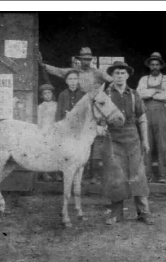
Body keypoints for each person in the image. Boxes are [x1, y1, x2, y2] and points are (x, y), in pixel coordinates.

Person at [38, 47, 112, 184]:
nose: (86, 61)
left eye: (89, 59)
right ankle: (70, 171)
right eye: (84, 59)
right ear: (79, 59)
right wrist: (43, 65)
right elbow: (57, 71)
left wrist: (103, 94)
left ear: (92, 60)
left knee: (91, 142)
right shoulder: (73, 73)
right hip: (75, 108)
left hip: (92, 110)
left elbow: (111, 80)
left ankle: (92, 174)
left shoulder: (97, 73)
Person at [102, 61, 154, 226]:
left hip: (133, 138)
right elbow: (98, 117)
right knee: (116, 177)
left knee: (138, 175)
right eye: (116, 73)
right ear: (112, 75)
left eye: (122, 73)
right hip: (113, 140)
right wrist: (101, 126)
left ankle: (144, 213)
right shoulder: (105, 94)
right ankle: (116, 214)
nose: (119, 76)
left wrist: (145, 140)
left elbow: (142, 118)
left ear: (127, 75)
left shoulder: (134, 94)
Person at [137, 52, 166, 184]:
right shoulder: (143, 79)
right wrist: (156, 92)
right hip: (146, 114)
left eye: (157, 64)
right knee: (147, 145)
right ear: (149, 66)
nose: (154, 67)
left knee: (162, 145)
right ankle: (147, 175)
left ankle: (163, 175)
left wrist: (149, 94)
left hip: (161, 115)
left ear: (161, 66)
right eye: (152, 64)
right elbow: (139, 95)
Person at [37, 83, 57, 181]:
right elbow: (39, 120)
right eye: (45, 93)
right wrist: (40, 131)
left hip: (55, 129)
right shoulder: (41, 106)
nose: (48, 95)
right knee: (45, 151)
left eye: (49, 93)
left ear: (52, 94)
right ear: (42, 96)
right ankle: (45, 173)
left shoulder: (56, 105)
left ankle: (56, 172)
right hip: (45, 130)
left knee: (56, 151)